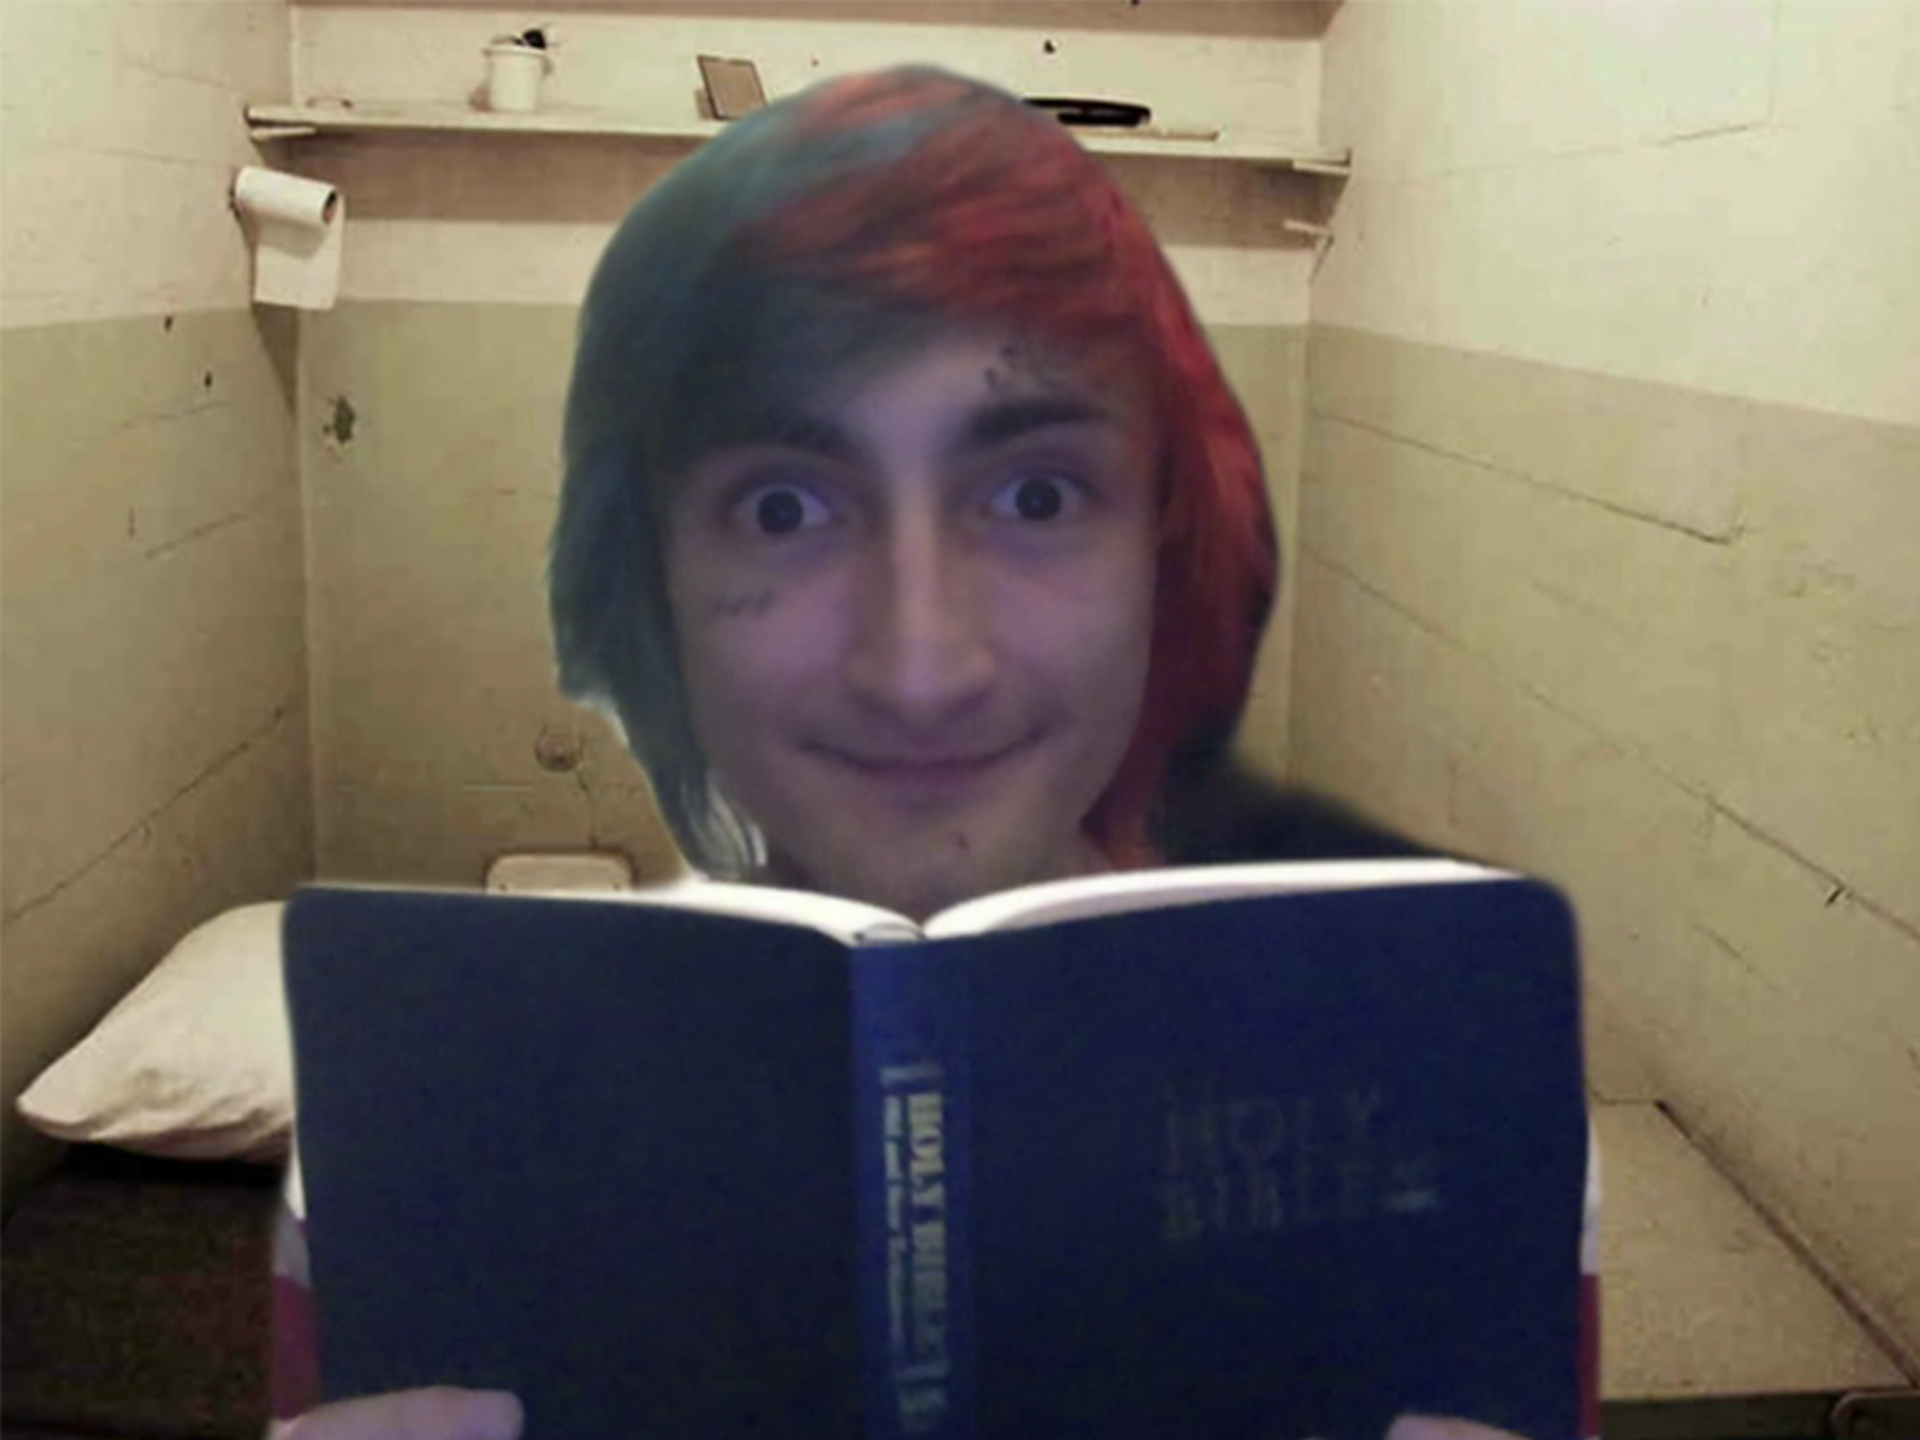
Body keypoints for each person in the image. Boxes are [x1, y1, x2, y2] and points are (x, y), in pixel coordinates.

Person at [273, 66, 1596, 1440]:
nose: (920, 671)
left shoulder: (1441, 1102)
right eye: (782, 509)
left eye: (1036, 494)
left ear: (1165, 548)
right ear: (651, 584)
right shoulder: (407, 1155)